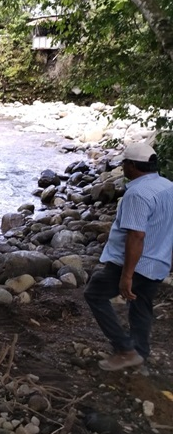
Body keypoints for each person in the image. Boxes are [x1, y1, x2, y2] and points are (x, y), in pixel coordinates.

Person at [84, 142, 173, 371]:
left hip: (137, 263)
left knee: (94, 293)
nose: (123, 167)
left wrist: (127, 275)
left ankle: (125, 349)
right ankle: (140, 352)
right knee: (141, 303)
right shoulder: (167, 186)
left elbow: (136, 236)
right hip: (158, 262)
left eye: (124, 163)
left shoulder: (137, 193)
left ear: (132, 165)